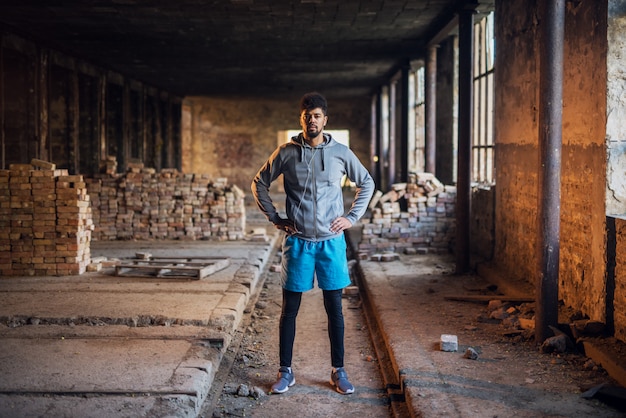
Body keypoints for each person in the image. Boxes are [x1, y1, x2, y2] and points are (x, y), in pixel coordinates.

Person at [251, 92, 375, 395]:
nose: (312, 120)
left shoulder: (341, 153)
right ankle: (286, 371)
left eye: (317, 115)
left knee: (335, 308)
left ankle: (338, 371)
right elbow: (259, 183)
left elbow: (367, 182)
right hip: (299, 243)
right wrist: (275, 218)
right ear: (301, 119)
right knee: (289, 309)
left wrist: (351, 217)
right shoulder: (287, 152)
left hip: (331, 243)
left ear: (325, 120)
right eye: (307, 116)